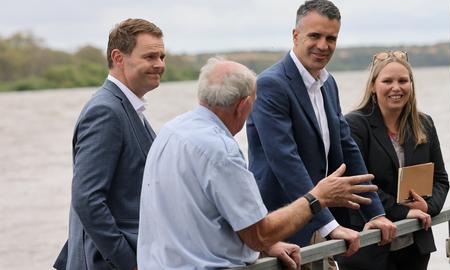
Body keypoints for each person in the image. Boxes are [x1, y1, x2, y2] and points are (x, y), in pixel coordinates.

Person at [137, 57, 379, 270]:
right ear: (243, 105)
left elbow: (200, 211)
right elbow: (258, 234)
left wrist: (268, 245)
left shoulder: (171, 130)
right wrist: (317, 198)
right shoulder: (221, 151)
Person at [246, 0, 397, 264]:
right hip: (282, 230)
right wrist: (329, 225)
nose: (323, 46)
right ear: (295, 35)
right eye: (314, 36)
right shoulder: (271, 84)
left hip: (322, 224)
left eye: (331, 38)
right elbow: (285, 161)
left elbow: (347, 148)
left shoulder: (328, 83)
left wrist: (375, 213)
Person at [53, 19, 166, 270]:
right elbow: (87, 199)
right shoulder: (106, 111)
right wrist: (130, 263)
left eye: (162, 56)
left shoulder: (128, 107)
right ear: (118, 57)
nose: (159, 64)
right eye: (150, 56)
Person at [340, 50, 450, 270]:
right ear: (373, 85)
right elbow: (359, 184)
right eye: (387, 81)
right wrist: (404, 212)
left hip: (414, 247)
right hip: (368, 249)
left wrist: (427, 206)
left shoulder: (424, 124)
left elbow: (441, 180)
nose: (396, 87)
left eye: (403, 80)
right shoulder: (354, 125)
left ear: (411, 84)